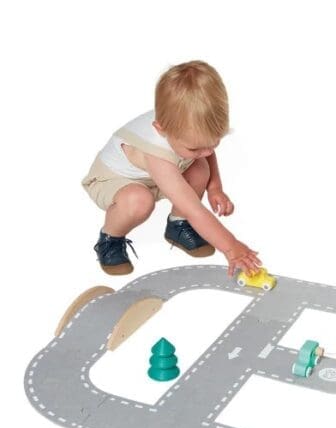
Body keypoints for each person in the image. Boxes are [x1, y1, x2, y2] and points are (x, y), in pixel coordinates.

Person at [81, 60, 261, 277]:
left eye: (214, 143)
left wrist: (215, 187)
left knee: (200, 168)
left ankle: (177, 226)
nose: (207, 151)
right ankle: (110, 238)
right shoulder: (155, 150)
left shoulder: (186, 127)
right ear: (161, 129)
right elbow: (194, 209)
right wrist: (231, 247)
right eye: (195, 147)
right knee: (139, 201)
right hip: (115, 180)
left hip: (163, 174)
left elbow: (204, 151)